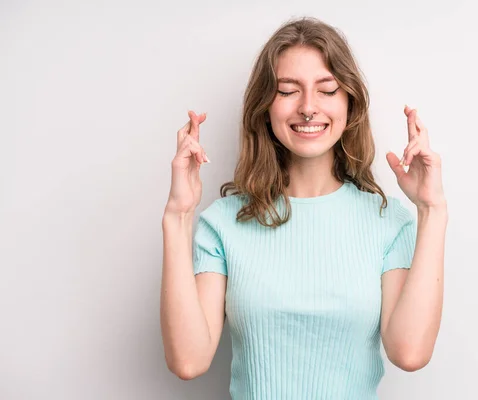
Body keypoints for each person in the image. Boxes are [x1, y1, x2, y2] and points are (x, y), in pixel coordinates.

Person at [161, 16, 447, 399]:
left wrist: (432, 210)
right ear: (265, 106)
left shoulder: (387, 222)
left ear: (349, 103)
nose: (308, 108)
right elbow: (188, 361)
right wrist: (178, 215)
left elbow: (409, 352)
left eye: (327, 89)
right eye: (288, 91)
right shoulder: (223, 224)